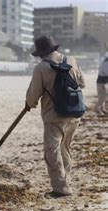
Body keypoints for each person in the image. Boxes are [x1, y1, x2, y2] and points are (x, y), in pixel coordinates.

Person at [25, 35, 85, 198]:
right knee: (65, 148)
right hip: (74, 113)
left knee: (52, 151)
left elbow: (33, 95)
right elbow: (82, 83)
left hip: (53, 116)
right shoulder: (71, 60)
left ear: (41, 53)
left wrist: (30, 104)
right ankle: (66, 180)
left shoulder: (41, 68)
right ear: (54, 48)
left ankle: (60, 187)